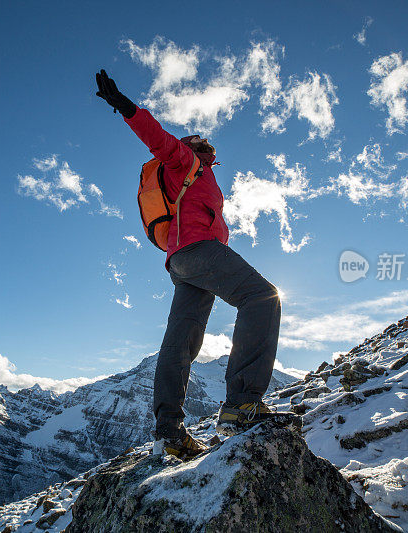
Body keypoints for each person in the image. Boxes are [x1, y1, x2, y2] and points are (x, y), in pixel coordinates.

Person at [96, 70, 287, 459]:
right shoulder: (183, 162)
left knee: (181, 341)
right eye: (199, 140)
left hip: (181, 261)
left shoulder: (201, 174)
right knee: (262, 297)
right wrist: (127, 108)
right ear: (190, 146)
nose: (205, 143)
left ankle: (168, 432)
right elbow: (159, 140)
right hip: (197, 252)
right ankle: (241, 405)